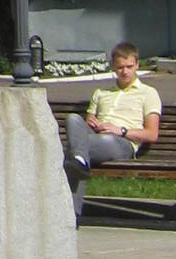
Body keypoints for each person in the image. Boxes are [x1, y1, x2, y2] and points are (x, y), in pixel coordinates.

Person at [63, 43, 162, 222]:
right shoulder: (101, 92)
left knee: (77, 152)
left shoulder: (149, 93)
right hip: (96, 138)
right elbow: (85, 125)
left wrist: (121, 131)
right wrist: (92, 124)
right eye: (120, 68)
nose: (124, 72)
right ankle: (80, 164)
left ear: (137, 65)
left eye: (129, 67)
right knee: (72, 119)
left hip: (122, 143)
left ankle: (70, 214)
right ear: (113, 67)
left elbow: (152, 134)